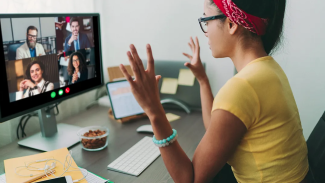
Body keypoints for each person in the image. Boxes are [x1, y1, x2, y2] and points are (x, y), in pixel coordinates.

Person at [119, 0, 311, 182]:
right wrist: (202, 80)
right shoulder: (268, 69)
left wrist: (154, 111)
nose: (205, 32)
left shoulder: (242, 87)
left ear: (231, 24)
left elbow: (190, 179)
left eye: (205, 20)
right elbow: (216, 129)